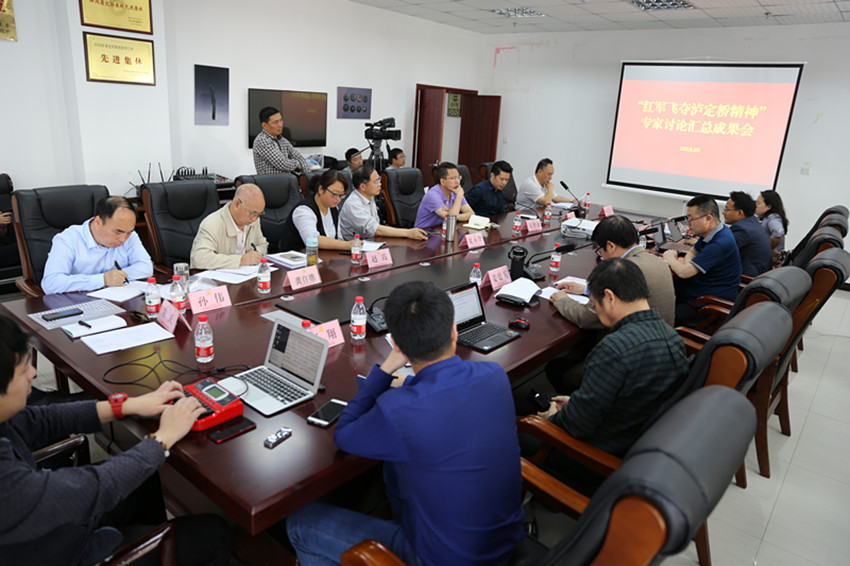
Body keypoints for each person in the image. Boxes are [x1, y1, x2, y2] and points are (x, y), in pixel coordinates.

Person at [286, 281, 525, 566]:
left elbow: (345, 434)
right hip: (502, 546)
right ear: (453, 331)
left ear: (397, 345)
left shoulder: (398, 410)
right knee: (397, 467)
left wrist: (386, 368)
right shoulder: (494, 375)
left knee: (299, 523)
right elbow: (445, 396)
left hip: (441, 560)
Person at [0, 315, 232, 566]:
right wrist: (162, 439)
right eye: (23, 369)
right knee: (214, 532)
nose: (33, 372)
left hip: (56, 526)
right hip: (67, 552)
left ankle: (151, 539)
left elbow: (45, 419)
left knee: (143, 479)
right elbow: (92, 488)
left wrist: (128, 405)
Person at [537, 258, 689, 458]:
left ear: (609, 297)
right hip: (638, 442)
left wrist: (552, 418)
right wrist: (576, 403)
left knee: (519, 427)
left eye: (594, 304)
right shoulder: (673, 338)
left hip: (596, 455)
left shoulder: (615, 348)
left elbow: (576, 425)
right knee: (552, 398)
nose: (595, 310)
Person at [550, 215, 676, 329]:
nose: (602, 256)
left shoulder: (622, 271)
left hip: (632, 343)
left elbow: (587, 318)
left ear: (611, 246)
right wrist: (587, 289)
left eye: (600, 250)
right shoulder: (658, 261)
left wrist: (562, 300)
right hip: (661, 337)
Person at [41, 196, 152, 295]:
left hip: (119, 298)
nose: (123, 239)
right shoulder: (67, 240)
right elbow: (51, 283)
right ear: (98, 222)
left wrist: (116, 277)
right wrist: (102, 280)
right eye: (118, 232)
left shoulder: (130, 235)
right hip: (80, 301)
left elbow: (145, 267)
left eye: (128, 232)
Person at [663, 195, 742, 327]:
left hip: (707, 305)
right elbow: (692, 252)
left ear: (708, 218)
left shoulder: (720, 243)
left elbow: (683, 273)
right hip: (698, 293)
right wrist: (687, 265)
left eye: (691, 219)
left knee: (662, 316)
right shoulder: (713, 232)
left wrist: (670, 257)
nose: (688, 223)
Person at [338, 164, 428, 241]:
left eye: (379, 180)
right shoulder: (353, 204)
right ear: (363, 186)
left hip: (370, 241)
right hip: (353, 248)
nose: (380, 184)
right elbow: (375, 229)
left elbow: (376, 226)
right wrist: (408, 233)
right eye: (376, 182)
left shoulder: (369, 197)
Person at [190, 183, 269, 269]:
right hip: (217, 276)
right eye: (252, 213)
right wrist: (240, 260)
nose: (255, 218)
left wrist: (254, 256)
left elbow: (262, 244)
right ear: (237, 204)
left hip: (248, 273)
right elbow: (199, 259)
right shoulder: (211, 224)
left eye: (259, 214)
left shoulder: (254, 220)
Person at [279, 170, 353, 251]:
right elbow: (312, 240)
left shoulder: (333, 208)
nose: (338, 199)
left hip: (325, 255)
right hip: (298, 256)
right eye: (335, 194)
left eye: (341, 195)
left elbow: (338, 238)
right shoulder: (303, 210)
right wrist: (346, 245)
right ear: (321, 189)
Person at [723, 191, 773, 276]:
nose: (723, 212)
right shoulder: (752, 223)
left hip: (746, 279)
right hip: (758, 275)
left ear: (740, 213)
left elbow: (720, 250)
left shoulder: (742, 229)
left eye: (727, 209)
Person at [413, 161, 475, 229]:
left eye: (458, 177)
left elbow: (471, 214)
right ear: (442, 181)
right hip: (425, 232)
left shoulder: (455, 191)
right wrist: (459, 196)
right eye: (453, 178)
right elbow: (450, 219)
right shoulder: (433, 195)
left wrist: (457, 216)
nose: (457, 182)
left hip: (443, 229)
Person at [252, 106, 309, 175]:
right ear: (264, 125)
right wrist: (298, 165)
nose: (280, 125)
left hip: (288, 179)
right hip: (271, 181)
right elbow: (283, 164)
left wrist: (304, 168)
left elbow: (298, 156)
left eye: (281, 120)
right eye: (275, 122)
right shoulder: (262, 140)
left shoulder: (283, 140)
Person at [755, 190, 789, 259]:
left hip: (770, 261)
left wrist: (770, 248)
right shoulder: (762, 218)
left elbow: (778, 232)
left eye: (758, 203)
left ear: (768, 207)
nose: (755, 206)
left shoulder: (773, 218)